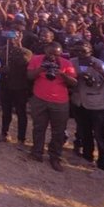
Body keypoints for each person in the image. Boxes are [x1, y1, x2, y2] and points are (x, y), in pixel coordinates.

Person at [27, 42, 78, 172]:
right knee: (39, 127)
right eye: (51, 54)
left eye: (57, 54)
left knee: (58, 131)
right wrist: (41, 69)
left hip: (60, 102)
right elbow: (29, 76)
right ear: (46, 50)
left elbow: (74, 82)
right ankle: (37, 152)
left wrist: (62, 74)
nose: (54, 57)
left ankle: (55, 157)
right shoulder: (36, 59)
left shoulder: (66, 63)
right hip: (39, 99)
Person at [70, 40, 104, 178]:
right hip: (79, 103)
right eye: (77, 50)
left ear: (90, 50)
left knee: (100, 136)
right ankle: (87, 157)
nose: (80, 54)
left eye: (83, 50)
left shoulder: (100, 64)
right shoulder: (72, 62)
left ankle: (102, 167)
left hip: (99, 105)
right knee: (84, 132)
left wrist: (102, 73)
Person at [0, 26, 33, 145]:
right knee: (6, 111)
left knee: (21, 113)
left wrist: (19, 45)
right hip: (5, 85)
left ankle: (21, 138)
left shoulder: (26, 51)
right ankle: (4, 133)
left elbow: (26, 61)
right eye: (10, 37)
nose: (12, 39)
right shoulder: (1, 50)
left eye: (15, 36)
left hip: (20, 87)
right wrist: (1, 69)